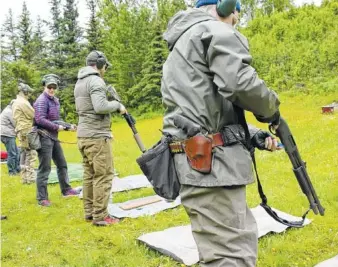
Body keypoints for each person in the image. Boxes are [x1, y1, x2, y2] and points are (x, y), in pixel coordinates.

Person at [160, 1, 281, 266]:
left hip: (201, 162)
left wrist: (251, 134)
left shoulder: (182, 44)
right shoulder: (212, 30)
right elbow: (239, 83)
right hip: (212, 166)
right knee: (231, 257)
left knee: (225, 247)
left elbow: (205, 111)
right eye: (235, 15)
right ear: (225, 8)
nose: (235, 21)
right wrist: (271, 108)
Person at [74, 51, 126, 226]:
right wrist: (118, 105)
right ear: (100, 63)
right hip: (96, 136)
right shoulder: (95, 80)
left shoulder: (80, 82)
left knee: (89, 175)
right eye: (105, 66)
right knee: (103, 175)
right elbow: (100, 106)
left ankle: (90, 213)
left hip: (83, 136)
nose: (105, 70)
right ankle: (101, 216)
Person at [34, 74, 79, 207]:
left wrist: (68, 126)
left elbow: (55, 120)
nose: (52, 89)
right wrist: (57, 127)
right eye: (49, 87)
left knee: (62, 164)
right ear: (44, 86)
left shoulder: (54, 100)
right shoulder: (41, 101)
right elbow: (39, 120)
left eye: (54, 87)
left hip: (53, 137)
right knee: (45, 168)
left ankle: (66, 190)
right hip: (43, 138)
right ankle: (42, 199)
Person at [12, 83, 37, 184]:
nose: (29, 94)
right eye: (28, 92)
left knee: (24, 154)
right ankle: (30, 179)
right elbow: (33, 114)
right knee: (31, 154)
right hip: (26, 130)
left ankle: (24, 178)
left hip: (20, 130)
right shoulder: (23, 102)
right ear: (25, 91)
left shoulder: (16, 102)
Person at [0, 101, 20, 176]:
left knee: (17, 152)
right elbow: (16, 123)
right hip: (7, 135)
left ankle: (17, 169)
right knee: (12, 154)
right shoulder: (9, 112)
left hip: (8, 134)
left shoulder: (8, 110)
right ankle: (11, 172)